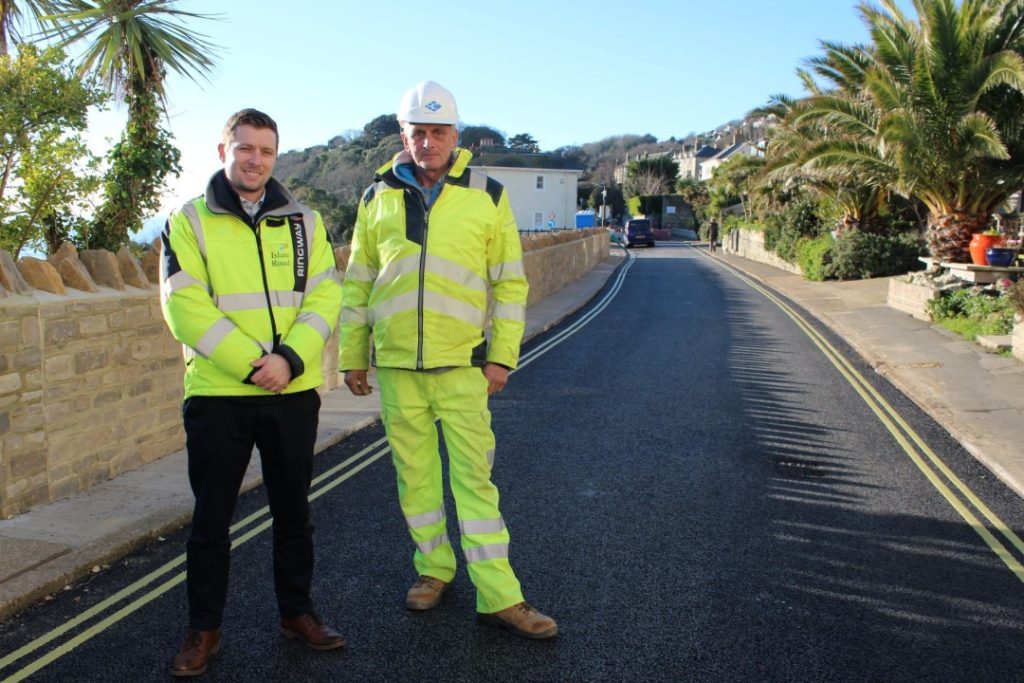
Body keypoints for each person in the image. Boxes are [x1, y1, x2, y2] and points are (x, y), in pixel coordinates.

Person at [339, 81, 557, 640]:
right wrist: (353, 354)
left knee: (475, 485)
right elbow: (358, 281)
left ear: (456, 136)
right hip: (397, 369)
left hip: (463, 366)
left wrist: (503, 356)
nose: (429, 142)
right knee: (415, 480)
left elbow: (510, 283)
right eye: (418, 133)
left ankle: (500, 595)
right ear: (404, 136)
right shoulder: (374, 197)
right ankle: (433, 569)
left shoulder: (487, 194)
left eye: (439, 132)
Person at [160, 108, 345, 677]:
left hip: (292, 392)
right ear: (223, 152)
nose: (254, 159)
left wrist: (287, 360)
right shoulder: (187, 222)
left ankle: (297, 613)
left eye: (265, 150)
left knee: (294, 512)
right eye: (244, 148)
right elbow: (183, 307)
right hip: (219, 394)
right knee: (212, 519)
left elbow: (326, 297)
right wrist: (253, 365)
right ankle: (204, 630)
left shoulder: (305, 222)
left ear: (275, 156)